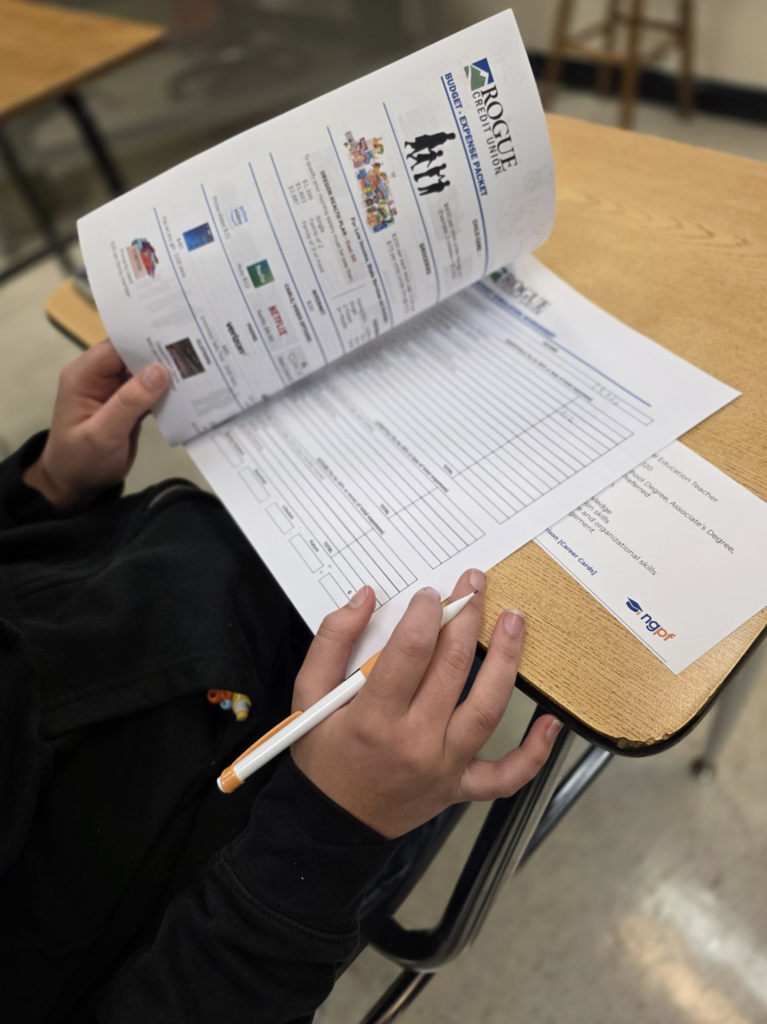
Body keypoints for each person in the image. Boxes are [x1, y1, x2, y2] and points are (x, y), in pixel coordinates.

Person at [0, 340, 562, 1023]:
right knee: (519, 583)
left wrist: (44, 494)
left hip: (229, 557)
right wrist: (331, 827)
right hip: (294, 824)